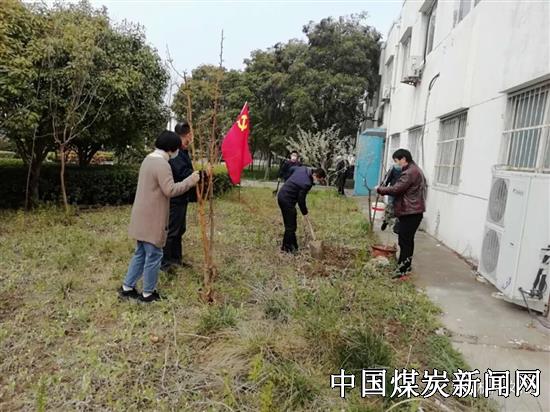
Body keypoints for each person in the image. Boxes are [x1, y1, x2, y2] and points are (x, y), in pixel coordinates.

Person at [119, 131, 200, 302]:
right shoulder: (162, 164)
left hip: (141, 215)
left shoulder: (148, 159)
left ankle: (127, 287)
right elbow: (170, 190)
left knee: (141, 253)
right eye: (177, 148)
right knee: (154, 254)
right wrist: (190, 181)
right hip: (152, 217)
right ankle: (148, 293)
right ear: (171, 149)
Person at [377, 149, 426, 279]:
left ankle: (402, 270)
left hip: (410, 212)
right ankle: (405, 267)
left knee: (404, 242)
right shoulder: (414, 170)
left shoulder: (410, 172)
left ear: (403, 159)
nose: (396, 164)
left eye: (397, 161)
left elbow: (396, 189)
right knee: (407, 241)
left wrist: (380, 189)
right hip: (413, 211)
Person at [161, 122, 194, 270]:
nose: (189, 140)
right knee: (172, 231)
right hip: (175, 197)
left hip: (182, 197)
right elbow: (182, 173)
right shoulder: (175, 152)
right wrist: (199, 175)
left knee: (180, 230)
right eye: (187, 137)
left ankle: (176, 259)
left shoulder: (183, 151)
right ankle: (165, 263)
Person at [277, 165, 326, 253]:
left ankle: (292, 246)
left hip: (282, 194)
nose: (318, 182)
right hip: (286, 200)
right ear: (315, 175)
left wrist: (289, 181)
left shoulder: (303, 169)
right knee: (291, 226)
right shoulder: (307, 183)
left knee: (291, 224)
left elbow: (291, 168)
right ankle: (287, 248)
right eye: (319, 180)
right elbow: (301, 200)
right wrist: (305, 213)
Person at [380, 161, 402, 232]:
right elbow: (387, 179)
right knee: (390, 206)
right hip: (393, 191)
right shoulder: (394, 167)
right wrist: (382, 189)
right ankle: (386, 221)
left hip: (401, 192)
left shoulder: (407, 169)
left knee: (399, 208)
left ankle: (397, 226)